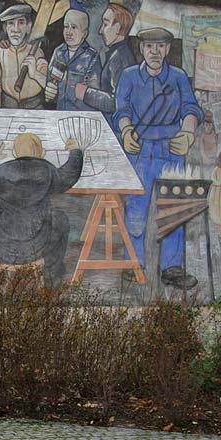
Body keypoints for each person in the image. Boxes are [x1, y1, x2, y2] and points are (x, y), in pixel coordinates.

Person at [114, 27, 203, 289]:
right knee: (136, 210)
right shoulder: (128, 76)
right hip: (140, 151)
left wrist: (187, 132)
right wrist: (126, 129)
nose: (155, 52)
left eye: (161, 46)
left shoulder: (177, 77)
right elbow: (122, 109)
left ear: (167, 49)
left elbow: (190, 108)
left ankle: (172, 267)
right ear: (141, 48)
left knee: (174, 208)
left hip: (172, 150)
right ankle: (135, 262)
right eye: (149, 46)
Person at [0, 134, 83, 288]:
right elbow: (69, 175)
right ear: (42, 153)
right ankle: (52, 279)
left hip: (1, 248)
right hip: (37, 248)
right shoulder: (47, 170)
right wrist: (76, 151)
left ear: (15, 154)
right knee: (60, 218)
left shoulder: (2, 170)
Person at [75, 3, 135, 127]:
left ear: (118, 28)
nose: (100, 30)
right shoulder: (117, 54)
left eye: (106, 24)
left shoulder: (120, 58)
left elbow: (117, 102)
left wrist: (87, 94)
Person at [0, 4, 48, 109]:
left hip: (34, 108)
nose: (15, 29)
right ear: (5, 28)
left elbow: (47, 86)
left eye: (21, 22)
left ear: (28, 27)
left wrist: (34, 73)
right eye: (11, 23)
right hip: (8, 108)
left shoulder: (37, 52)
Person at [45, 9, 101, 111]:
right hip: (59, 112)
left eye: (74, 27)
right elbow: (49, 83)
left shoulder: (92, 57)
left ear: (85, 33)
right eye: (66, 26)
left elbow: (94, 96)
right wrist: (49, 91)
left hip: (81, 116)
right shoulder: (58, 52)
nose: (68, 32)